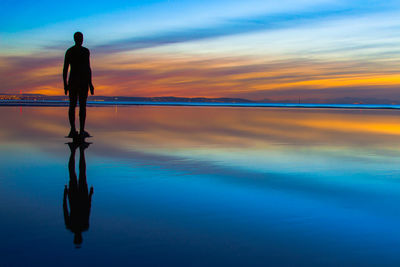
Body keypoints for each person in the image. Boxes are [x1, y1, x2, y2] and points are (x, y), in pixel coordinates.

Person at [63, 32, 94, 138]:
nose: (81, 39)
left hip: (76, 82)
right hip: (80, 82)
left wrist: (90, 84)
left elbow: (87, 68)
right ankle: (77, 130)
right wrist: (65, 84)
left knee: (76, 106)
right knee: (79, 106)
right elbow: (66, 69)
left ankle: (77, 130)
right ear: (78, 39)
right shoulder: (81, 51)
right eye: (80, 38)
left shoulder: (73, 51)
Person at [63, 141, 93, 247]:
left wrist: (65, 194)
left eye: (77, 238)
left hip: (74, 197)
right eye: (78, 238)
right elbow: (88, 209)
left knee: (75, 173)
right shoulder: (83, 226)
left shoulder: (72, 226)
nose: (78, 236)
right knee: (80, 173)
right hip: (80, 197)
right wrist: (90, 195)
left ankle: (75, 151)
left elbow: (65, 210)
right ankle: (79, 151)